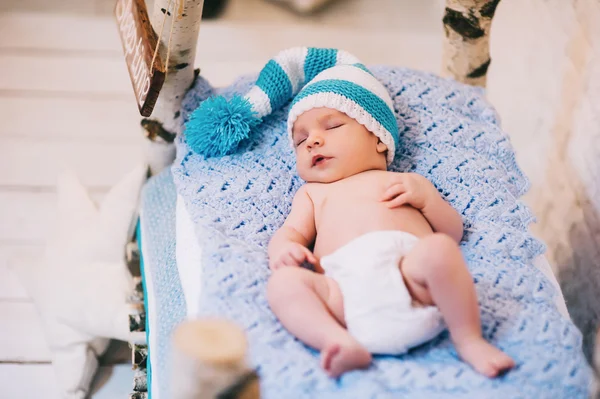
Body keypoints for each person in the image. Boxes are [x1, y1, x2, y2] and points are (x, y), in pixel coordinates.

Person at [186, 47, 515, 379]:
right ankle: (338, 341)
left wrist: (427, 198)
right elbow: (291, 233)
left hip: (410, 280)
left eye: (331, 126)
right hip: (342, 293)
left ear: (379, 139)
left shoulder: (403, 182)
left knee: (439, 251)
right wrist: (283, 250)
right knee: (284, 285)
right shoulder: (313, 194)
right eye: (301, 140)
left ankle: (469, 339)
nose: (313, 141)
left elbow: (452, 234)